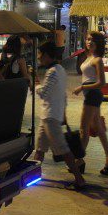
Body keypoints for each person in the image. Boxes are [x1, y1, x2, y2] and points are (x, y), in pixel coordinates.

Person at [33, 41, 85, 190]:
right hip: (48, 115)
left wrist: (35, 84)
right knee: (40, 148)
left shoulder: (53, 72)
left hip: (50, 117)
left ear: (48, 55)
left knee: (63, 149)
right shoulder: (60, 69)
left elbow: (44, 93)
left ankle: (79, 179)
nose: (38, 57)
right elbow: (63, 95)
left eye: (40, 54)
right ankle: (34, 175)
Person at [73, 31, 108, 176]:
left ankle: (79, 161)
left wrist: (82, 87)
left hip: (92, 94)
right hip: (91, 95)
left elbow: (101, 82)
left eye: (92, 40)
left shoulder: (97, 60)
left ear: (98, 43)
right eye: (87, 39)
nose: (89, 42)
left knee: (83, 129)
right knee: (99, 128)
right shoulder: (88, 57)